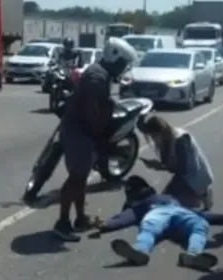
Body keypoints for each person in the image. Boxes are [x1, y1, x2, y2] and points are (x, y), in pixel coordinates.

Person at [52, 37, 138, 241]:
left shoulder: (101, 74)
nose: (123, 68)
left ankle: (80, 218)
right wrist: (103, 132)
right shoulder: (96, 78)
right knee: (75, 179)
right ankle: (62, 222)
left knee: (80, 178)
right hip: (78, 132)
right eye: (123, 64)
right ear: (114, 59)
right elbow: (93, 112)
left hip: (82, 131)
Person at [88, 176, 223, 271]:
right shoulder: (166, 199)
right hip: (181, 213)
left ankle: (141, 251)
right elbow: (205, 215)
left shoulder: (141, 204)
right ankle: (193, 254)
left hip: (161, 213)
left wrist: (106, 224)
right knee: (199, 225)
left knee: (150, 228)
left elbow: (126, 217)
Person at [138, 116, 214, 210]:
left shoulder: (179, 140)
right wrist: (158, 165)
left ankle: (199, 195)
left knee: (167, 203)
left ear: (159, 132)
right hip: (186, 175)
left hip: (193, 176)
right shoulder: (166, 138)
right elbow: (172, 166)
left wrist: (160, 166)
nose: (153, 139)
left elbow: (182, 170)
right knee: (166, 202)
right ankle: (201, 195)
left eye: (153, 136)